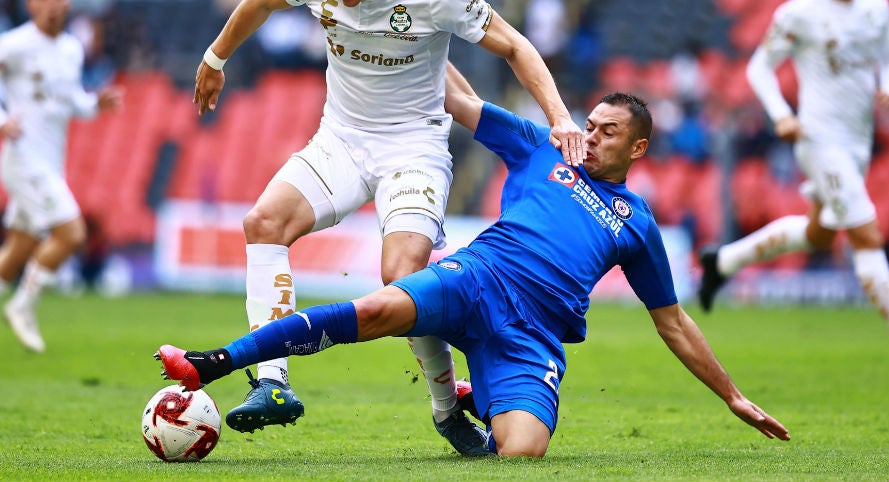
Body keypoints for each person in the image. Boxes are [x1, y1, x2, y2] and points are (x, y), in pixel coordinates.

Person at [156, 73, 790, 458]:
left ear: (638, 146)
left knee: (521, 451)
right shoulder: (543, 147)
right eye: (589, 125)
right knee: (381, 307)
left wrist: (733, 397)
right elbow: (459, 100)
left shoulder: (638, 222)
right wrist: (422, 22)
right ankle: (216, 362)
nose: (589, 136)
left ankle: (479, 395)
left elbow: (673, 321)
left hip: (531, 337)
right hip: (478, 278)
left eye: (607, 132)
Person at [191, 0, 584, 455]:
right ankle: (273, 383)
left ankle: (448, 412)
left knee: (402, 276)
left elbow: (515, 45)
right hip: (341, 140)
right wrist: (215, 58)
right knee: (263, 223)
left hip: (414, 147)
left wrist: (560, 118)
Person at [698, 0, 889, 318]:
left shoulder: (876, 7)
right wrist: (782, 115)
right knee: (866, 237)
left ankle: (723, 261)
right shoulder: (799, 13)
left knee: (819, 235)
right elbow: (759, 68)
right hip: (819, 139)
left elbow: (883, 58)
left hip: (857, 140)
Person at [0, 0, 123, 352]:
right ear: (31, 3)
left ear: (67, 3)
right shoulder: (16, 43)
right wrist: (3, 120)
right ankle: (23, 304)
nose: (52, 2)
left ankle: (16, 294)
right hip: (22, 159)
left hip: (51, 161)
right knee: (72, 234)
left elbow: (71, 103)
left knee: (18, 248)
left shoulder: (71, 48)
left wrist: (94, 105)